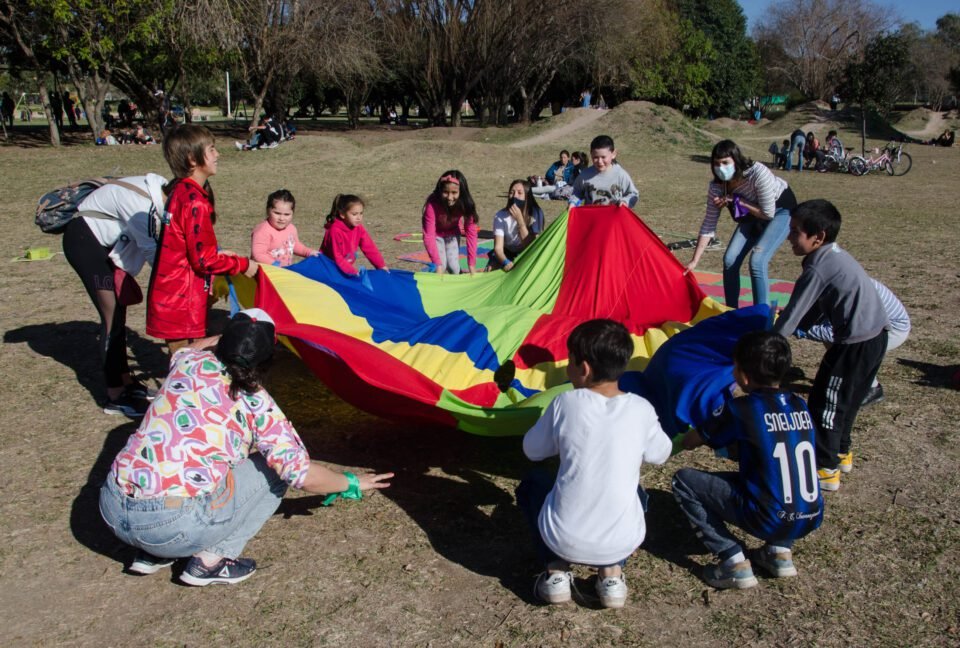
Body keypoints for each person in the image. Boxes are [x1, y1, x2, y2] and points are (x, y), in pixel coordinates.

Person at [99, 308, 395, 586]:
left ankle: (153, 554)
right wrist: (351, 482)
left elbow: (201, 345)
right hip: (173, 525)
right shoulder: (258, 404)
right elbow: (300, 475)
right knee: (274, 468)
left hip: (111, 510)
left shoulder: (186, 362)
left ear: (221, 343)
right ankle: (209, 561)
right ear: (268, 361)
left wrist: (237, 332)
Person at [516, 319, 671, 608]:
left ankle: (555, 572)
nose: (566, 368)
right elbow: (660, 454)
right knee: (636, 492)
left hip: (562, 539)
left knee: (535, 483)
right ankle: (611, 574)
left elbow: (532, 450)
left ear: (583, 368)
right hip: (622, 541)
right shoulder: (641, 408)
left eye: (569, 361)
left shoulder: (565, 402)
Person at [672, 331, 824, 589]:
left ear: (742, 374)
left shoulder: (742, 408)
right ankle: (779, 552)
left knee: (683, 481)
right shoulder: (800, 405)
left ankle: (732, 559)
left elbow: (691, 441)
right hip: (811, 514)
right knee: (776, 481)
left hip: (767, 516)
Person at [773, 199, 889, 492]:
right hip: (875, 337)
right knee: (847, 401)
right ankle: (841, 453)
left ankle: (825, 468)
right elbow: (815, 307)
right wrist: (802, 324)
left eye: (796, 231)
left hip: (855, 344)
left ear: (818, 236)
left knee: (826, 403)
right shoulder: (832, 256)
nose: (789, 236)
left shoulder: (818, 268)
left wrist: (767, 343)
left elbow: (790, 318)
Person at [146, 124, 259, 354]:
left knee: (186, 362)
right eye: (211, 149)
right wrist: (243, 264)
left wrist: (220, 256)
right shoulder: (194, 201)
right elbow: (204, 261)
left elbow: (190, 250)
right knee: (186, 364)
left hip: (173, 294)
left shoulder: (179, 192)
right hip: (181, 299)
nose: (218, 154)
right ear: (192, 158)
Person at [62, 174, 169, 417]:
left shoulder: (155, 192)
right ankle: (114, 394)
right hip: (85, 243)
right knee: (111, 319)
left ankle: (126, 382)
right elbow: (152, 251)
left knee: (119, 315)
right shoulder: (143, 206)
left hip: (102, 246)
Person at [683, 139, 797, 309]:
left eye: (725, 163)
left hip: (779, 210)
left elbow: (768, 213)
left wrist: (738, 201)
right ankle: (731, 311)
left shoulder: (757, 173)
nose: (721, 168)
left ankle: (761, 316)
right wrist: (694, 260)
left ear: (735, 160)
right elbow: (709, 223)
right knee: (729, 259)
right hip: (751, 217)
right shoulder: (716, 187)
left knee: (757, 261)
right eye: (716, 164)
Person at [792, 278, 909, 408]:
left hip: (892, 330)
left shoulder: (847, 293)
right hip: (872, 324)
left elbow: (836, 333)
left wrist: (798, 329)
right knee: (839, 343)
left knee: (853, 346)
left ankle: (872, 388)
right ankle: (842, 373)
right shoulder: (838, 282)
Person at [421, 170, 479, 275]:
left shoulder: (466, 204)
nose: (449, 197)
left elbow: (471, 233)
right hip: (436, 235)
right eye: (445, 192)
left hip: (452, 233)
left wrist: (471, 264)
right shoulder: (432, 204)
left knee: (454, 267)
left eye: (454, 193)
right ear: (440, 190)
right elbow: (428, 235)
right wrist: (437, 264)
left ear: (461, 192)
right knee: (441, 267)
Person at [320, 193, 388, 276]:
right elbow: (337, 257)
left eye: (361, 213)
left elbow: (369, 248)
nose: (359, 217)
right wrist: (353, 272)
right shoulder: (335, 231)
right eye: (354, 214)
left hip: (342, 269)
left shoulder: (358, 228)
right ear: (342, 214)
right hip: (327, 270)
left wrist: (381, 265)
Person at [251, 189, 318, 267]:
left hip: (282, 273)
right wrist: (275, 264)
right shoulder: (263, 231)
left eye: (287, 214)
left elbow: (294, 245)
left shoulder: (291, 228)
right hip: (264, 274)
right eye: (277, 213)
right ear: (268, 210)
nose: (282, 218)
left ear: (292, 213)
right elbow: (258, 254)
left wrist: (309, 252)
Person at [488, 179, 544, 272]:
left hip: (527, 252)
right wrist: (505, 262)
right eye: (511, 192)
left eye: (519, 193)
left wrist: (520, 221)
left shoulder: (536, 213)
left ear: (527, 197)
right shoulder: (500, 215)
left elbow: (531, 245)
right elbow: (498, 248)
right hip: (507, 251)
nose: (514, 196)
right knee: (491, 268)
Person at [569, 135, 639, 208]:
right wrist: (573, 202)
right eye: (595, 157)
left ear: (613, 154)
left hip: (614, 218)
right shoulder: (584, 175)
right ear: (591, 154)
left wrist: (625, 201)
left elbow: (633, 194)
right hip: (592, 218)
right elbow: (576, 191)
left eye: (603, 157)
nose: (599, 161)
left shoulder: (620, 175)